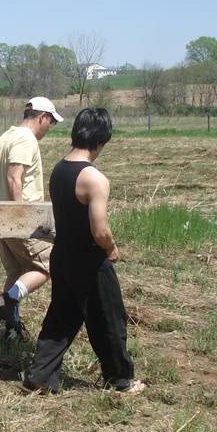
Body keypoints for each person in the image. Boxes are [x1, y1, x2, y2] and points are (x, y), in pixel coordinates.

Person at [23, 108, 145, 394]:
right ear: (101, 140)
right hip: (89, 262)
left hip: (62, 255)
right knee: (109, 321)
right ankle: (120, 380)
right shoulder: (94, 179)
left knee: (61, 319)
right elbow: (99, 230)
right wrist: (111, 248)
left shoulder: (59, 169)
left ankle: (40, 375)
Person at [0, 97, 63, 339]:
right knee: (50, 264)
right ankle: (8, 301)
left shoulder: (7, 136)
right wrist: (20, 217)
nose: (50, 128)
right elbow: (13, 177)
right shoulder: (25, 139)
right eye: (51, 122)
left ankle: (11, 329)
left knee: (17, 270)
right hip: (18, 219)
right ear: (42, 117)